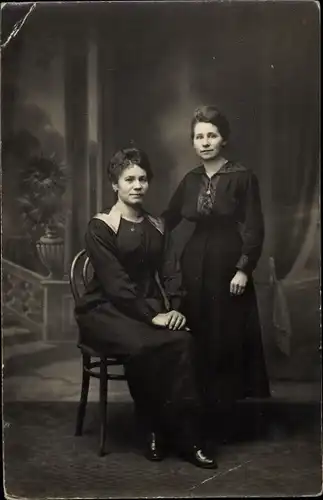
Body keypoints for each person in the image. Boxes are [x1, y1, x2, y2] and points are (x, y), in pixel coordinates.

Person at [74, 146, 217, 468]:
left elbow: (170, 271)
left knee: (183, 340)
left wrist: (176, 308)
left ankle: (188, 436)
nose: (137, 185)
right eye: (129, 179)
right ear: (115, 185)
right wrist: (154, 315)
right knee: (144, 344)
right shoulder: (101, 227)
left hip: (148, 309)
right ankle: (153, 428)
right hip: (105, 310)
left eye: (142, 179)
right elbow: (116, 284)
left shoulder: (156, 225)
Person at [162, 105, 270, 439]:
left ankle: (228, 417)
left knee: (227, 336)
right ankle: (201, 415)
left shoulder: (242, 176)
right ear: (193, 143)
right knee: (200, 334)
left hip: (228, 261)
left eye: (211, 135)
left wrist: (244, 269)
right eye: (199, 137)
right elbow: (168, 217)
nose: (205, 142)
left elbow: (254, 226)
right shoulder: (191, 179)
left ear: (223, 139)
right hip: (195, 262)